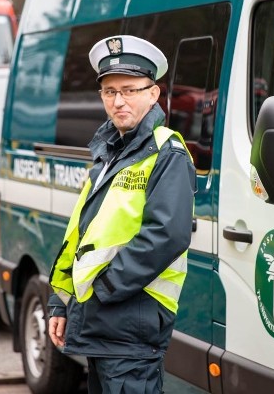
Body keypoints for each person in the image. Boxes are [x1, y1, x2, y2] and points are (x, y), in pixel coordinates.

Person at [47, 35, 196, 393]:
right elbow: (80, 236)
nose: (118, 101)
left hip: (131, 320)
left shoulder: (167, 153)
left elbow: (166, 235)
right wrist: (61, 301)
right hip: (105, 320)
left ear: (153, 94)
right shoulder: (109, 152)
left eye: (129, 90)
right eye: (109, 92)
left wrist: (105, 288)